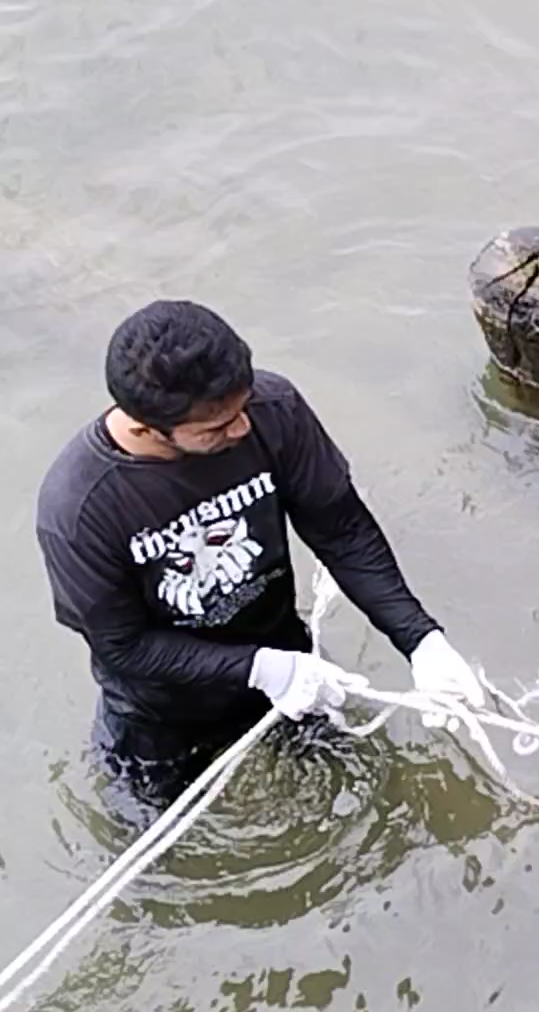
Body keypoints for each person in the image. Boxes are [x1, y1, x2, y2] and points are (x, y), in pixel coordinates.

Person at [34, 299, 487, 822]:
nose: (243, 429)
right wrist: (259, 668)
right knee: (164, 860)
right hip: (163, 714)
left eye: (243, 405)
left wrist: (420, 639)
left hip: (287, 664)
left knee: (369, 805)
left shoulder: (275, 411)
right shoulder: (79, 508)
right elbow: (124, 647)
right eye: (216, 427)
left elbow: (341, 529)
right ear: (144, 426)